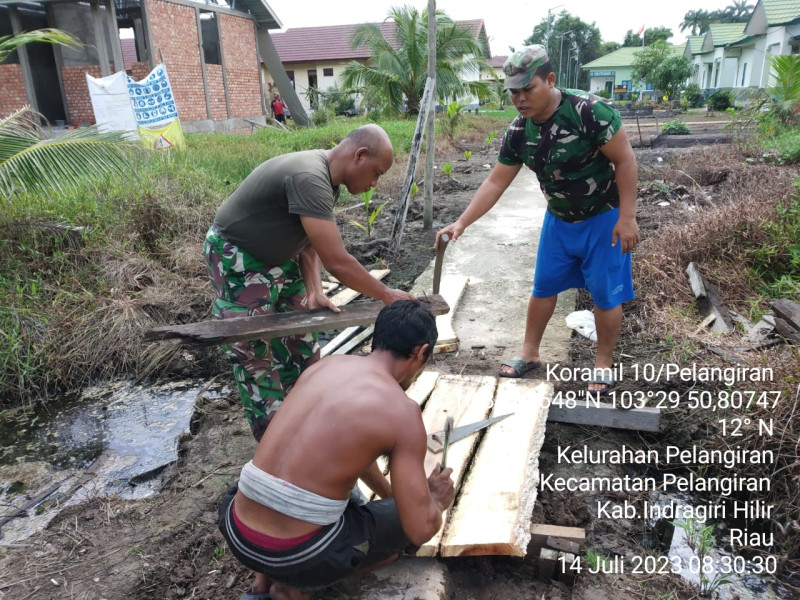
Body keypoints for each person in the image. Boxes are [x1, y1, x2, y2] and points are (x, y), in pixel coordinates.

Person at [218, 300, 456, 600]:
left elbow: (359, 456)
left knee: (275, 485)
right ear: (421, 352)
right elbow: (420, 528)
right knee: (404, 538)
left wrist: (392, 497)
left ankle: (259, 587)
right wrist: (434, 500)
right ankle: (294, 588)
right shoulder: (402, 412)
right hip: (297, 554)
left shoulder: (326, 366)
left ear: (376, 339)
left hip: (237, 529)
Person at [436, 45, 639, 394]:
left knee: (605, 296)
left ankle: (603, 364)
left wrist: (628, 217)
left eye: (528, 89)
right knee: (543, 289)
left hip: (603, 219)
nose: (520, 99)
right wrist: (462, 222)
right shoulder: (518, 131)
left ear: (550, 80)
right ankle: (529, 354)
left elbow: (625, 160)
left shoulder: (589, 112)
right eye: (514, 92)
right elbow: (496, 181)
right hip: (558, 220)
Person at [204, 124, 414, 442]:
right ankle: (278, 447)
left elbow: (308, 241)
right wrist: (386, 294)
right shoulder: (309, 176)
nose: (374, 183)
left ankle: (314, 419)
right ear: (359, 155)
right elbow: (338, 260)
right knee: (255, 356)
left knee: (301, 344)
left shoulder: (328, 182)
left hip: (278, 258)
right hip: (238, 258)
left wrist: (314, 290)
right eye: (376, 172)